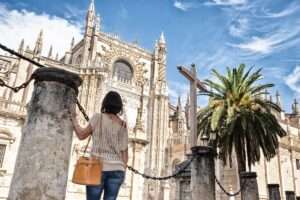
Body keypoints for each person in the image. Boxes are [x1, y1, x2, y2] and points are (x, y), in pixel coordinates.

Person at [70, 91, 128, 200]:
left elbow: (81, 135)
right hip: (117, 170)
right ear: (119, 107)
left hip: (97, 167)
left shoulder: (98, 117)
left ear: (105, 103)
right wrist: (122, 171)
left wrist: (74, 120)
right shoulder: (123, 125)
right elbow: (125, 154)